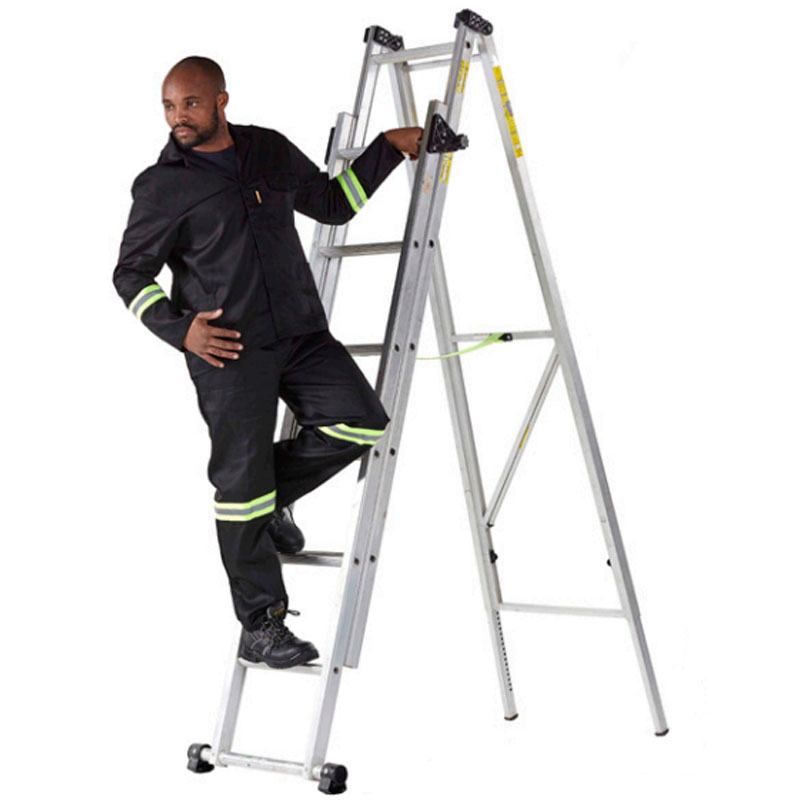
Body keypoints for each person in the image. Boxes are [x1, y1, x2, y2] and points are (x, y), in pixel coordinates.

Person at [113, 55, 422, 669]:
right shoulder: (161, 186)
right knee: (241, 485)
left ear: (221, 101)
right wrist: (181, 331)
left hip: (300, 332)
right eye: (169, 106)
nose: (178, 117)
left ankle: (270, 497)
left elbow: (333, 203)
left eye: (190, 104)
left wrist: (387, 148)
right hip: (228, 351)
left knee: (361, 422)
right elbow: (130, 274)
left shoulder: (268, 150)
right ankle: (261, 625)